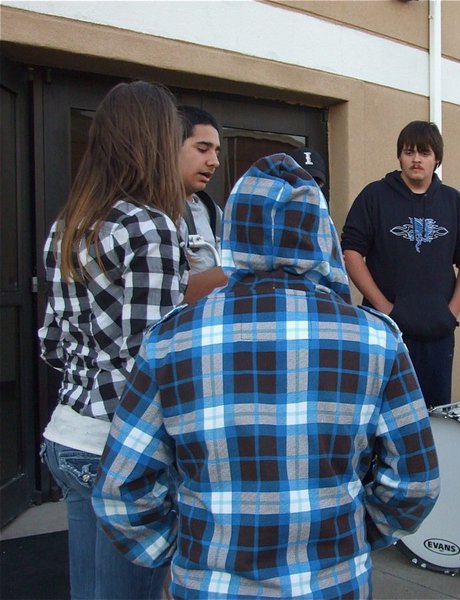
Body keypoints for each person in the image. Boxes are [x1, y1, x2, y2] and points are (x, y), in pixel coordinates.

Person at [92, 153, 440, 599]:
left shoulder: (170, 341)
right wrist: (354, 533)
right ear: (321, 233)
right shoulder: (376, 340)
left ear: (233, 230)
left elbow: (121, 490)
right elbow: (416, 481)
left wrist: (183, 549)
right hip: (333, 586)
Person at [38, 81, 187, 599]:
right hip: (121, 450)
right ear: (155, 142)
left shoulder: (67, 225)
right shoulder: (153, 228)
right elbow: (153, 363)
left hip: (68, 434)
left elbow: (52, 345)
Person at [341, 120, 460, 407]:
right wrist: (384, 309)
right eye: (409, 152)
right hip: (386, 332)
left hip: (437, 335)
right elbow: (351, 252)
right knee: (382, 413)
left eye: (425, 153)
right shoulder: (374, 196)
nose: (416, 159)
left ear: (437, 158)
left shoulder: (453, 202)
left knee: (434, 415)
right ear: (399, 156)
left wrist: (451, 310)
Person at [177, 105, 227, 303]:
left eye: (216, 152)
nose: (214, 161)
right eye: (203, 149)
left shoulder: (213, 211)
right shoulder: (151, 216)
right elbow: (168, 297)